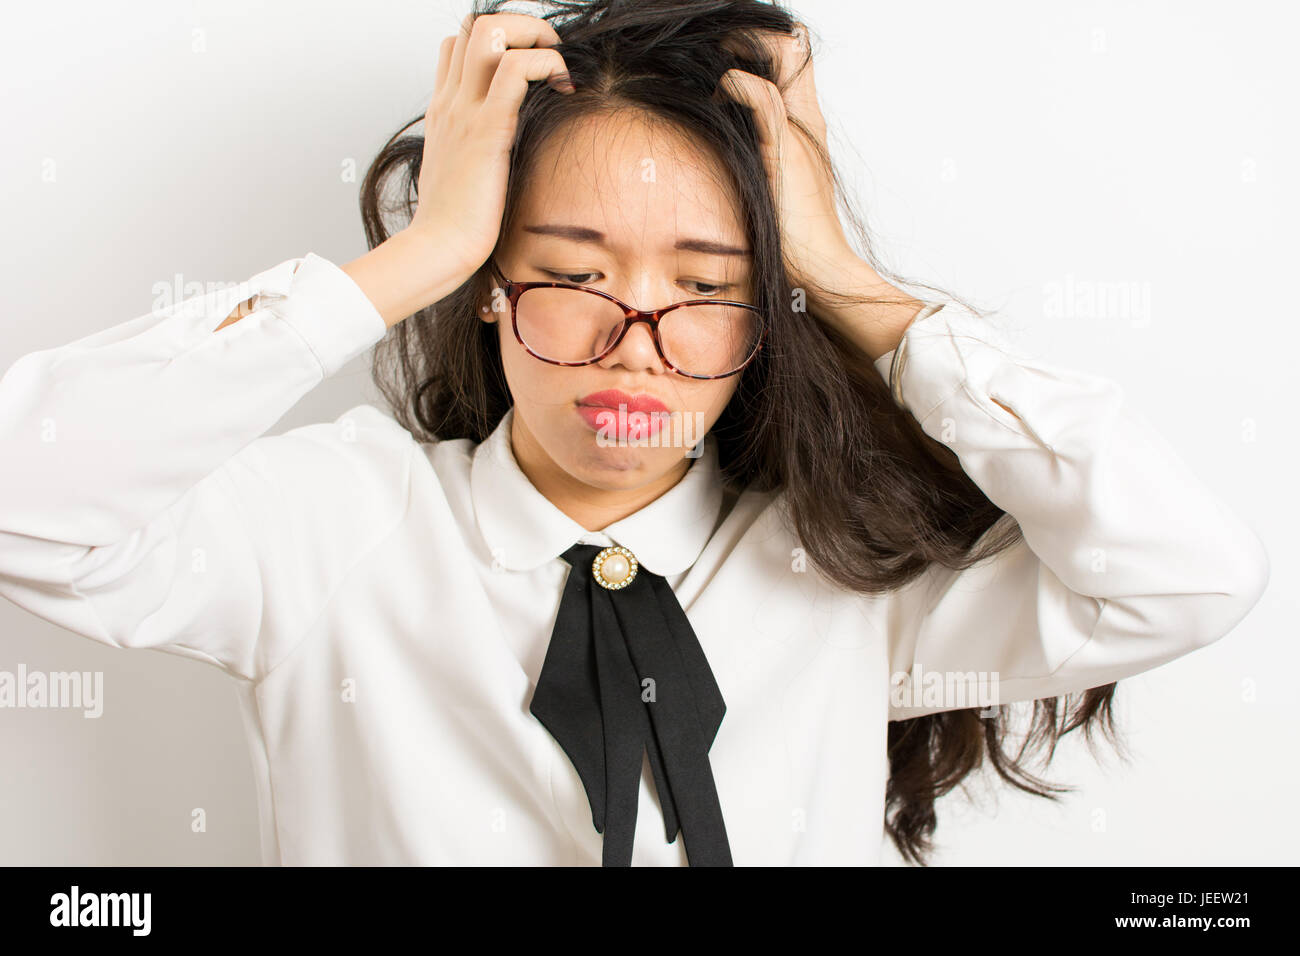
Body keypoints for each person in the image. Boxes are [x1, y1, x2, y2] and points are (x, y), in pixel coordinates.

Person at [0, 0, 1270, 866]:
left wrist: (843, 275)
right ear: (492, 291)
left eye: (706, 291)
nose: (634, 346)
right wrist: (419, 252)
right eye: (573, 276)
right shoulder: (332, 525)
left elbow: (1185, 575)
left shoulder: (847, 584)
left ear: (768, 322)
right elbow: (27, 498)